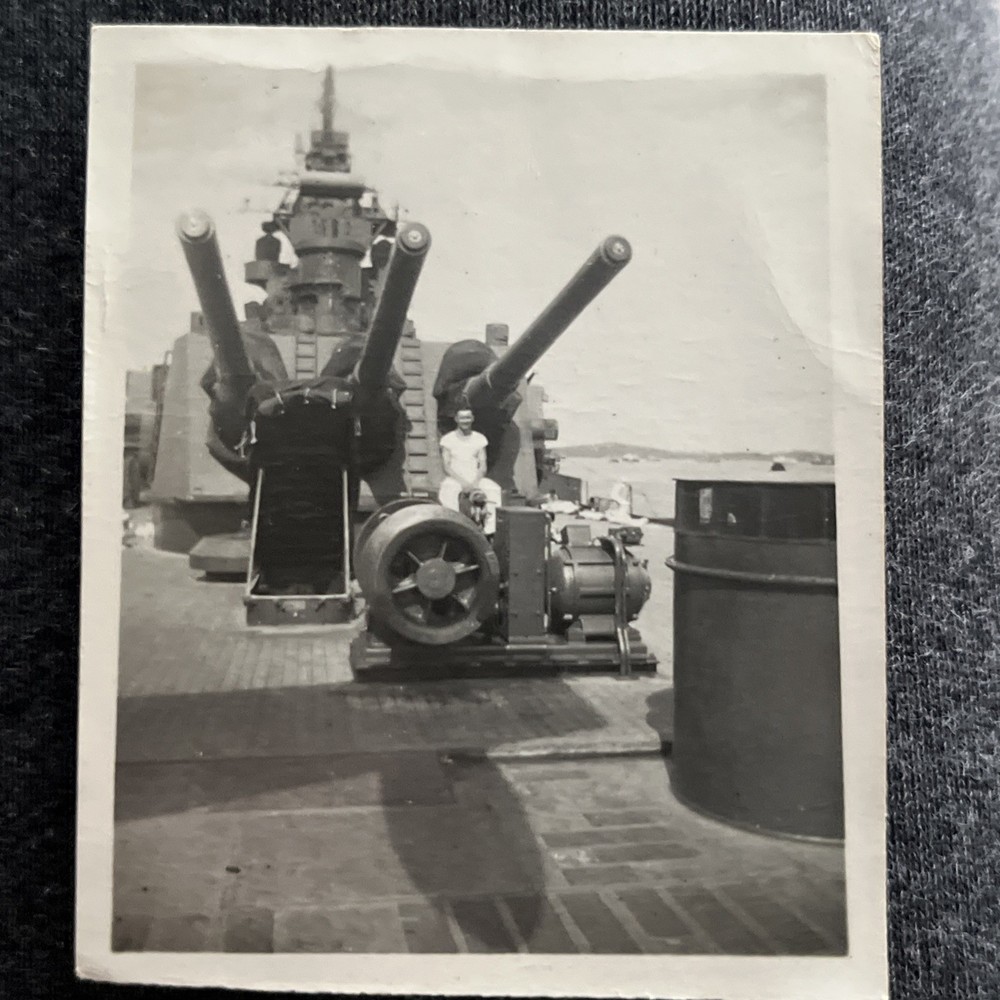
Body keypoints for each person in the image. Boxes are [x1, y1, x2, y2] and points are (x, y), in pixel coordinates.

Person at [438, 409, 502, 535]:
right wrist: (463, 483)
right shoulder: (447, 439)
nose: (465, 421)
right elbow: (446, 466)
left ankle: (490, 530)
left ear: (472, 419)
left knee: (494, 489)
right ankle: (454, 526)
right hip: (455, 478)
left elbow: (483, 465)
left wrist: (476, 483)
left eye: (467, 418)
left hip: (475, 477)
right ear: (456, 419)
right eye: (462, 418)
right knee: (447, 490)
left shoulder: (480, 439)